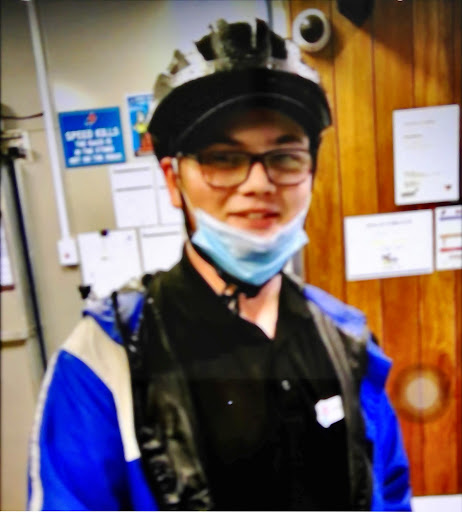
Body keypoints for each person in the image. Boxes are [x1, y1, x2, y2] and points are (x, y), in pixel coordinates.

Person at [27, 19, 412, 511]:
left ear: (311, 172)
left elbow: (390, 493)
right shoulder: (104, 360)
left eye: (285, 157)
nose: (259, 184)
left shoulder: (347, 341)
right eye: (223, 158)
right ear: (173, 180)